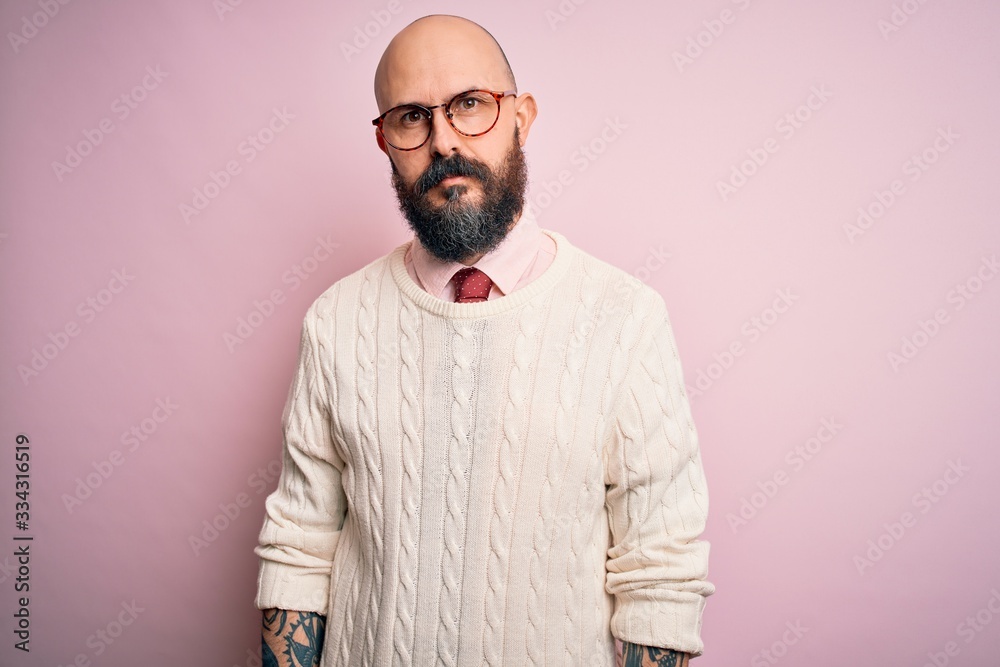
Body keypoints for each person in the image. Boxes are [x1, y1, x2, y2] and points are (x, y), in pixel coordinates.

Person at [254, 14, 714, 667]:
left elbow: (659, 570)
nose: (444, 141)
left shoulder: (625, 318)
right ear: (385, 141)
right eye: (413, 116)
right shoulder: (336, 320)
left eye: (471, 104)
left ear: (521, 117)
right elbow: (300, 548)